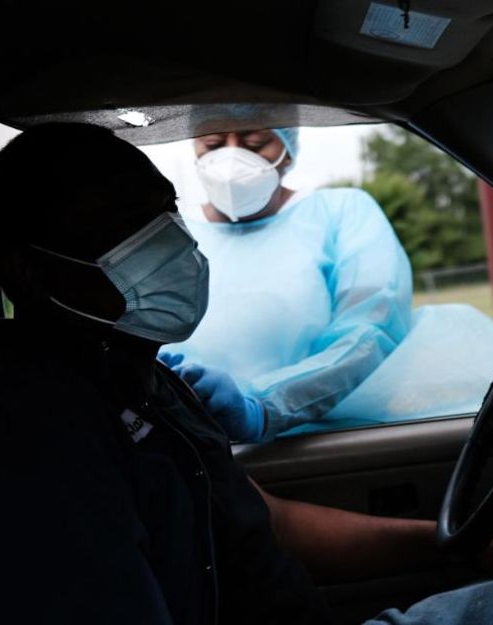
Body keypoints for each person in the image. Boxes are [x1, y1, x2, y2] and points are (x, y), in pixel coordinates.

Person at [0, 122, 493, 625]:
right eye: (121, 234)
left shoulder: (128, 369)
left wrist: (464, 546)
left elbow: (267, 523)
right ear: (28, 270)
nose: (166, 253)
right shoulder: (16, 435)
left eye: (162, 223)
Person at [156, 125, 413, 442]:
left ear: (288, 150)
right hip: (191, 447)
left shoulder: (339, 214)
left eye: (255, 143)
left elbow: (370, 332)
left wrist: (264, 407)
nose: (231, 160)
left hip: (318, 443)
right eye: (213, 144)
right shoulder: (168, 235)